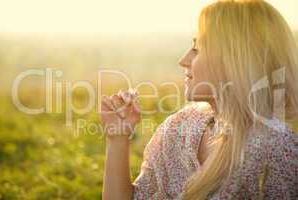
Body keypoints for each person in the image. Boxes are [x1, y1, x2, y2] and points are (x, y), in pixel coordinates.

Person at [101, 0, 298, 199]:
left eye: (196, 49)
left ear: (234, 61)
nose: (183, 60)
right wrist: (117, 138)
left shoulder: (277, 149)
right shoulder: (180, 126)